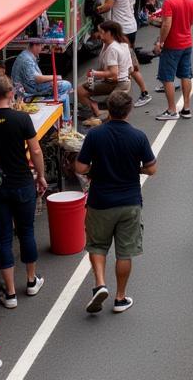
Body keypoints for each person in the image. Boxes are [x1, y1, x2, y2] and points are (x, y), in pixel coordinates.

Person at [75, 90, 157, 314]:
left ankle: (100, 284)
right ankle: (120, 297)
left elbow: (80, 168)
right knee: (124, 253)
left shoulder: (95, 135)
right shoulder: (138, 136)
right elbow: (152, 168)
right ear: (129, 110)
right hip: (129, 202)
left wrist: (95, 170)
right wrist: (135, 169)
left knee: (98, 245)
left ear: (108, 110)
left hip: (100, 201)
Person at [0, 76, 47, 308]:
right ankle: (31, 281)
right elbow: (36, 150)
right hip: (22, 182)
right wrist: (41, 176)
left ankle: (10, 293)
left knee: (3, 237)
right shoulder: (21, 118)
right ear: (11, 93)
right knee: (26, 232)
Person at [153, 0, 193, 121]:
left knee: (167, 77)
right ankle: (187, 107)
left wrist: (161, 42)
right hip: (187, 43)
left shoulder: (169, 1)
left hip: (172, 44)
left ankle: (172, 110)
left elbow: (167, 24)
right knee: (186, 75)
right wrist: (184, 24)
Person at [78, 22, 133, 122]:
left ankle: (99, 112)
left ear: (109, 33)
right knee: (82, 89)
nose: (99, 34)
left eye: (101, 32)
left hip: (117, 83)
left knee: (113, 113)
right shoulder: (117, 44)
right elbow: (131, 68)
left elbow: (113, 73)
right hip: (118, 81)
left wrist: (94, 74)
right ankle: (96, 109)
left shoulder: (113, 49)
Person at [10, 38, 74, 124]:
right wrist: (55, 77)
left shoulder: (26, 55)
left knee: (64, 94)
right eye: (41, 46)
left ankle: (66, 121)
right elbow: (36, 79)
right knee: (66, 85)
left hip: (30, 87)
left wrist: (52, 79)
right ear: (35, 46)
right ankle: (65, 121)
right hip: (28, 91)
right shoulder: (26, 59)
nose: (42, 48)